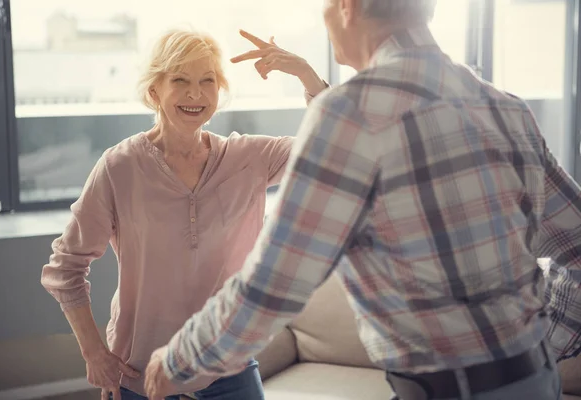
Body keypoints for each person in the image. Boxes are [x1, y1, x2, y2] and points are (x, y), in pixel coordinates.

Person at [142, 1, 581, 399]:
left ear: (346, 6)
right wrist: (543, 341)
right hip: (539, 383)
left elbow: (273, 286)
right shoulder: (503, 107)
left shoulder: (349, 113)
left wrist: (177, 360)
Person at [40, 28, 327, 400]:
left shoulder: (249, 159)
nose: (196, 93)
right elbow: (66, 267)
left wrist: (305, 73)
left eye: (208, 80)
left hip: (228, 365)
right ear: (154, 90)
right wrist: (94, 353)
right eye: (181, 80)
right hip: (141, 372)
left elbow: (333, 147)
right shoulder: (119, 167)